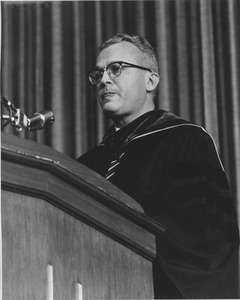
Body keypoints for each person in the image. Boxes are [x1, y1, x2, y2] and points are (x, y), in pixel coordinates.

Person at [77, 33, 239, 298]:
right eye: (99, 74)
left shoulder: (186, 140)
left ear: (150, 80)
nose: (104, 80)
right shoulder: (88, 164)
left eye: (116, 68)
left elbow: (211, 247)